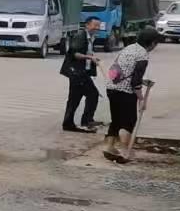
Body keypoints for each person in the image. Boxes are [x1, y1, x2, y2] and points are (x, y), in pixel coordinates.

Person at [102, 28, 157, 163]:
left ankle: (109, 147)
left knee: (116, 120)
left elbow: (124, 71)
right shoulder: (143, 55)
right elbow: (135, 82)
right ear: (152, 43)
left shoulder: (129, 48)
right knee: (128, 121)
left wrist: (143, 82)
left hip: (112, 88)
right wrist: (141, 98)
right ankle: (124, 150)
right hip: (125, 92)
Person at [60, 16, 103, 133]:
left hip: (81, 73)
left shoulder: (90, 37)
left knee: (77, 98)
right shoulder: (80, 35)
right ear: (87, 25)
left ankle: (73, 122)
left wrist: (92, 61)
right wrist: (90, 57)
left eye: (99, 26)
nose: (97, 28)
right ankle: (83, 121)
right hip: (77, 73)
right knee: (91, 95)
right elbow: (75, 54)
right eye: (95, 25)